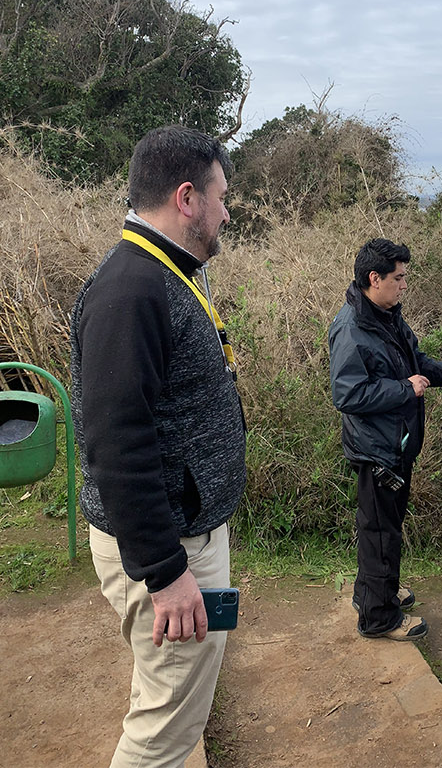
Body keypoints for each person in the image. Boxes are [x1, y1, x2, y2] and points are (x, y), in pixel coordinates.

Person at [70, 125, 246, 766]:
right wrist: (167, 574)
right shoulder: (132, 291)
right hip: (167, 552)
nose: (228, 210)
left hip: (181, 535)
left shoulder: (161, 275)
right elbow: (115, 442)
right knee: (163, 729)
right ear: (187, 198)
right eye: (221, 195)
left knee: (177, 704)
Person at [329, 238, 442, 641]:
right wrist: (406, 390)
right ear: (375, 279)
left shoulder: (387, 316)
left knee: (385, 529)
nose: (404, 285)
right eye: (399, 278)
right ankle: (379, 618)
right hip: (376, 451)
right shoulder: (351, 328)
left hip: (397, 445)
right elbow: (347, 395)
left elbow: (417, 362)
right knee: (380, 533)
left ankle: (374, 593)